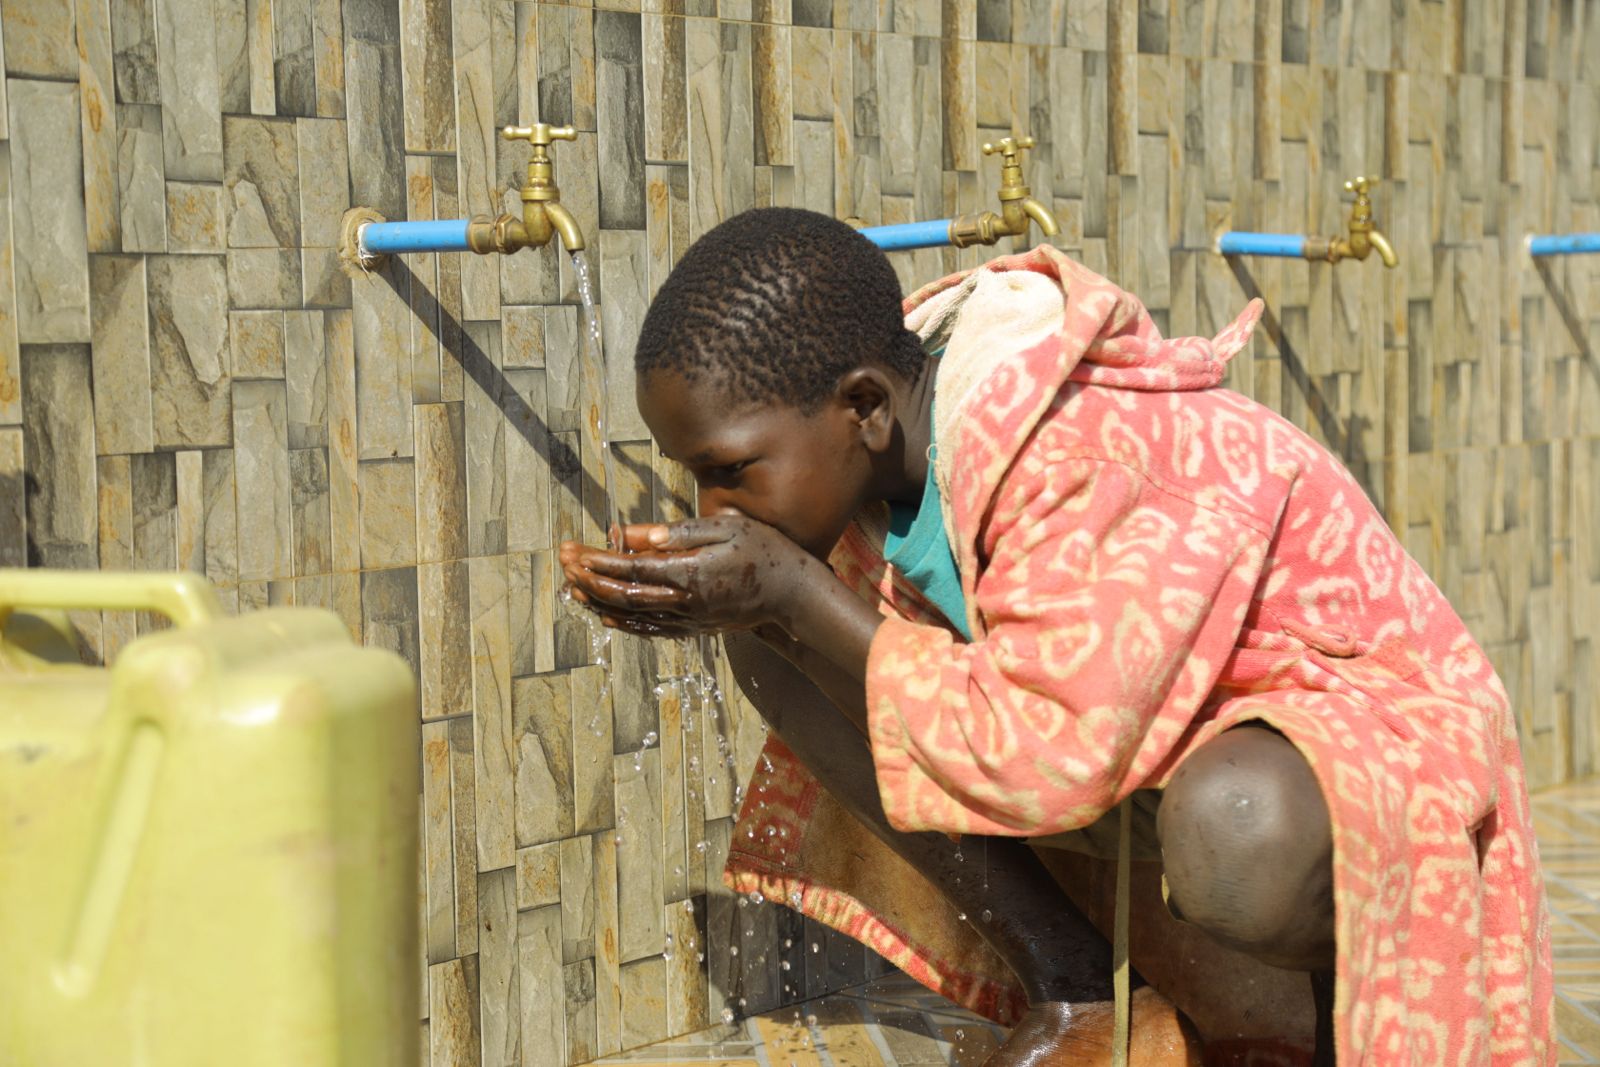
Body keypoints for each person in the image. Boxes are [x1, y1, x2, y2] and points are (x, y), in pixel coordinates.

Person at [559, 207, 1553, 1065]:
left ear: (861, 405)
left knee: (1234, 824)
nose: (711, 502)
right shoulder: (888, 443)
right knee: (772, 640)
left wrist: (794, 590)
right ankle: (1075, 989)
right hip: (1149, 729)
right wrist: (757, 602)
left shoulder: (1071, 445)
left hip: (1373, 749)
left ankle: (1336, 1025)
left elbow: (1045, 746)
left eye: (729, 469)